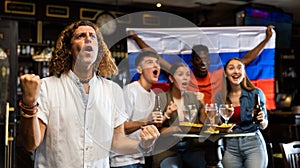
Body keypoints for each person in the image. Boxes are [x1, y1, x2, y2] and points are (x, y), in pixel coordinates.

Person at [18, 20, 160, 168]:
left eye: (92, 36)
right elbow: (30, 144)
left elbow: (116, 142)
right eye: (80, 36)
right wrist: (29, 104)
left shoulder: (112, 90)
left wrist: (143, 145)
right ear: (68, 49)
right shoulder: (47, 87)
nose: (88, 39)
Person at [188, 25, 275, 104]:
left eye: (205, 59)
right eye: (198, 59)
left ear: (209, 61)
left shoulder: (218, 75)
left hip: (217, 119)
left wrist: (267, 39)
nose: (203, 62)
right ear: (192, 62)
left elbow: (246, 60)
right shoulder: (186, 80)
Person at [110, 51, 164, 168]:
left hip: (140, 157)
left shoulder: (153, 95)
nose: (155, 66)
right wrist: (147, 120)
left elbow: (146, 125)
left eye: (157, 63)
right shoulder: (130, 91)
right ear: (139, 70)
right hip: (123, 160)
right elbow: (122, 128)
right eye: (150, 62)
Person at [215, 57, 269, 168]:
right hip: (230, 145)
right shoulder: (220, 96)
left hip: (253, 142)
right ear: (225, 73)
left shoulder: (256, 93)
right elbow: (219, 125)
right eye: (231, 68)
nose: (236, 71)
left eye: (239, 68)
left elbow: (264, 125)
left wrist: (262, 120)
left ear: (244, 72)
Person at [153, 62, 206, 168]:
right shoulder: (162, 98)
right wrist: (177, 128)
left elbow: (204, 124)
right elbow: (157, 129)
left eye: (187, 75)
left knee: (205, 164)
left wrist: (203, 105)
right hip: (168, 149)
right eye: (181, 75)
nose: (185, 78)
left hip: (192, 148)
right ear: (171, 79)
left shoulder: (194, 97)